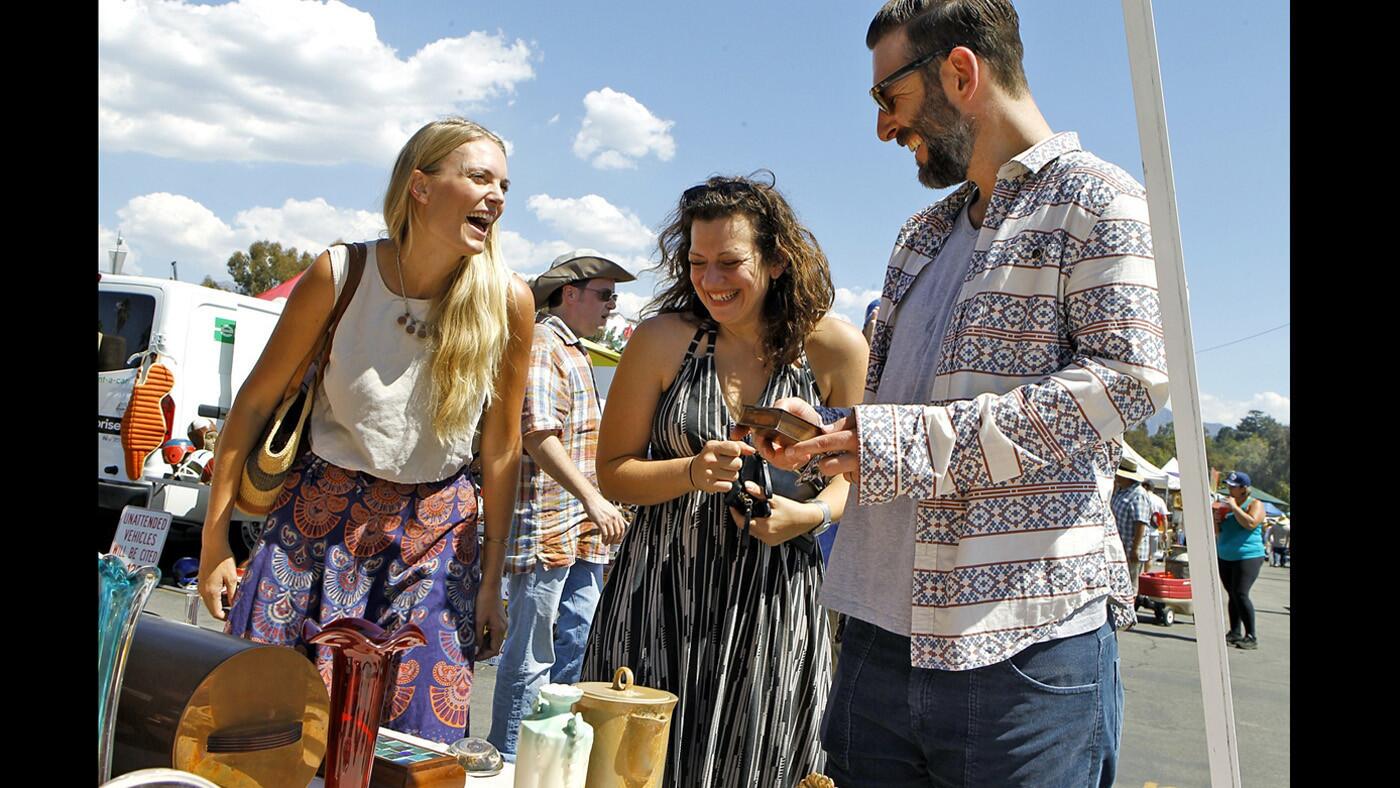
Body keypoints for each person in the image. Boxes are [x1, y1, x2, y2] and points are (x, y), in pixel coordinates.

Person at [753, 2, 1167, 784]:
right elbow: (904, 420)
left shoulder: (1096, 200)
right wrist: (835, 434)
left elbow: (1128, 380)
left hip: (1019, 645)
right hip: (878, 632)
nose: (883, 127)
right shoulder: (922, 233)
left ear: (960, 71)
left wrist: (895, 444)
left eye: (889, 98)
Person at [197, 117, 534, 743]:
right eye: (479, 178)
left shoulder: (508, 300)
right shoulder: (340, 273)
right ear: (422, 187)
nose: (498, 197)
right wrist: (215, 542)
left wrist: (493, 583)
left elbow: (502, 449)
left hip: (437, 537)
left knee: (415, 744)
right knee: (266, 731)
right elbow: (251, 406)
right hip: (313, 523)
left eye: (505, 186)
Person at [580, 173, 869, 785]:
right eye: (697, 262)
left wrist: (808, 516)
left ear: (777, 261)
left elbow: (857, 476)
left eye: (730, 262)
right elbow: (613, 473)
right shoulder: (662, 341)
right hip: (659, 599)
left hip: (776, 602)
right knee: (638, 768)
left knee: (760, 766)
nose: (711, 281)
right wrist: (690, 471)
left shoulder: (836, 351)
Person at [487, 250, 636, 760]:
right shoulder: (545, 343)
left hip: (579, 528)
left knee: (570, 649)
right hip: (550, 524)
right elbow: (538, 435)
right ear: (568, 294)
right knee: (532, 655)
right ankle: (511, 761)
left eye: (614, 297)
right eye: (605, 295)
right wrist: (595, 498)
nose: (612, 306)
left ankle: (547, 762)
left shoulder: (571, 349)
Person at [1215, 470, 1268, 649]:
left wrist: (1235, 508)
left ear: (1244, 488)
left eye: (1233, 486)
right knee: (1232, 594)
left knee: (1240, 593)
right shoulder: (1227, 504)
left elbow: (1251, 523)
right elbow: (1219, 531)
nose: (1229, 488)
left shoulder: (1255, 504)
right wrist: (1217, 519)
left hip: (1248, 555)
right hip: (1226, 555)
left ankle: (1251, 636)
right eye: (1228, 485)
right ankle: (1235, 632)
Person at [1113, 463, 1154, 593]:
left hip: (1130, 549)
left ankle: (1129, 610)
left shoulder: (1138, 494)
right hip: (1120, 546)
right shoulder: (1121, 491)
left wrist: (1134, 548)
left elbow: (1140, 524)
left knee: (1130, 585)